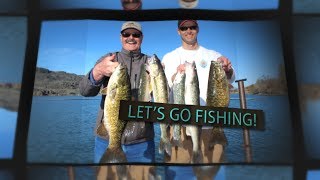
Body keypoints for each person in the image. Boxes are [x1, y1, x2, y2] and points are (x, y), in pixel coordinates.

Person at [161, 19, 235, 179]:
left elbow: (230, 78)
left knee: (212, 175)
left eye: (192, 26)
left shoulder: (214, 55)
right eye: (184, 27)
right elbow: (163, 91)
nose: (189, 30)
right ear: (178, 31)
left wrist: (228, 69)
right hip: (180, 130)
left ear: (198, 28)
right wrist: (177, 75)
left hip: (210, 128)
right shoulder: (169, 57)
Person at [79, 21, 155, 166]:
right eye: (126, 34)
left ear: (141, 37)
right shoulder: (109, 59)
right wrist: (98, 71)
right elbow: (84, 90)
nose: (131, 37)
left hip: (142, 141)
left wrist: (160, 78)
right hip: (105, 139)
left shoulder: (150, 63)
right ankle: (114, 148)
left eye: (135, 34)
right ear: (121, 37)